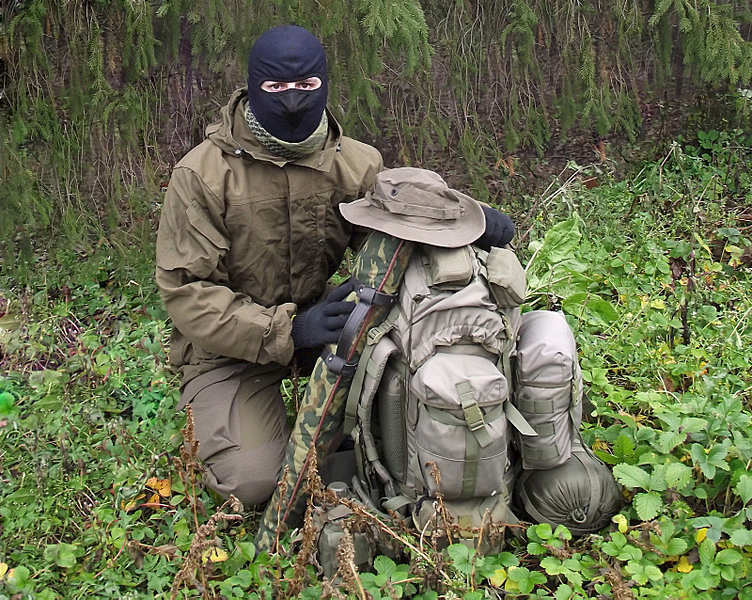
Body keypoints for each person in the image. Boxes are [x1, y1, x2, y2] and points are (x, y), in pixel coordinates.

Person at [155, 24, 515, 510]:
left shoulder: (355, 163)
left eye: (305, 86)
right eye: (275, 87)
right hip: (229, 351)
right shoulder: (201, 175)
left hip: (328, 327)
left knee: (403, 420)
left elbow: (398, 231)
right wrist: (288, 329)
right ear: (250, 86)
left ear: (324, 83)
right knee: (254, 484)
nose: (291, 100)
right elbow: (188, 291)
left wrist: (465, 219)